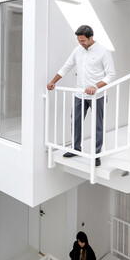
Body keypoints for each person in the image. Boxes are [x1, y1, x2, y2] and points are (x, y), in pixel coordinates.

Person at [47, 24, 115, 166]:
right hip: (79, 94)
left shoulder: (103, 52)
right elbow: (66, 66)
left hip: (98, 96)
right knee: (76, 122)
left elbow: (111, 75)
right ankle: (75, 148)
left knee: (98, 125)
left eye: (83, 41)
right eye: (79, 40)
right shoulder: (77, 50)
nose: (81, 43)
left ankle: (96, 154)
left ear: (91, 38)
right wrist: (53, 81)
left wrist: (95, 87)